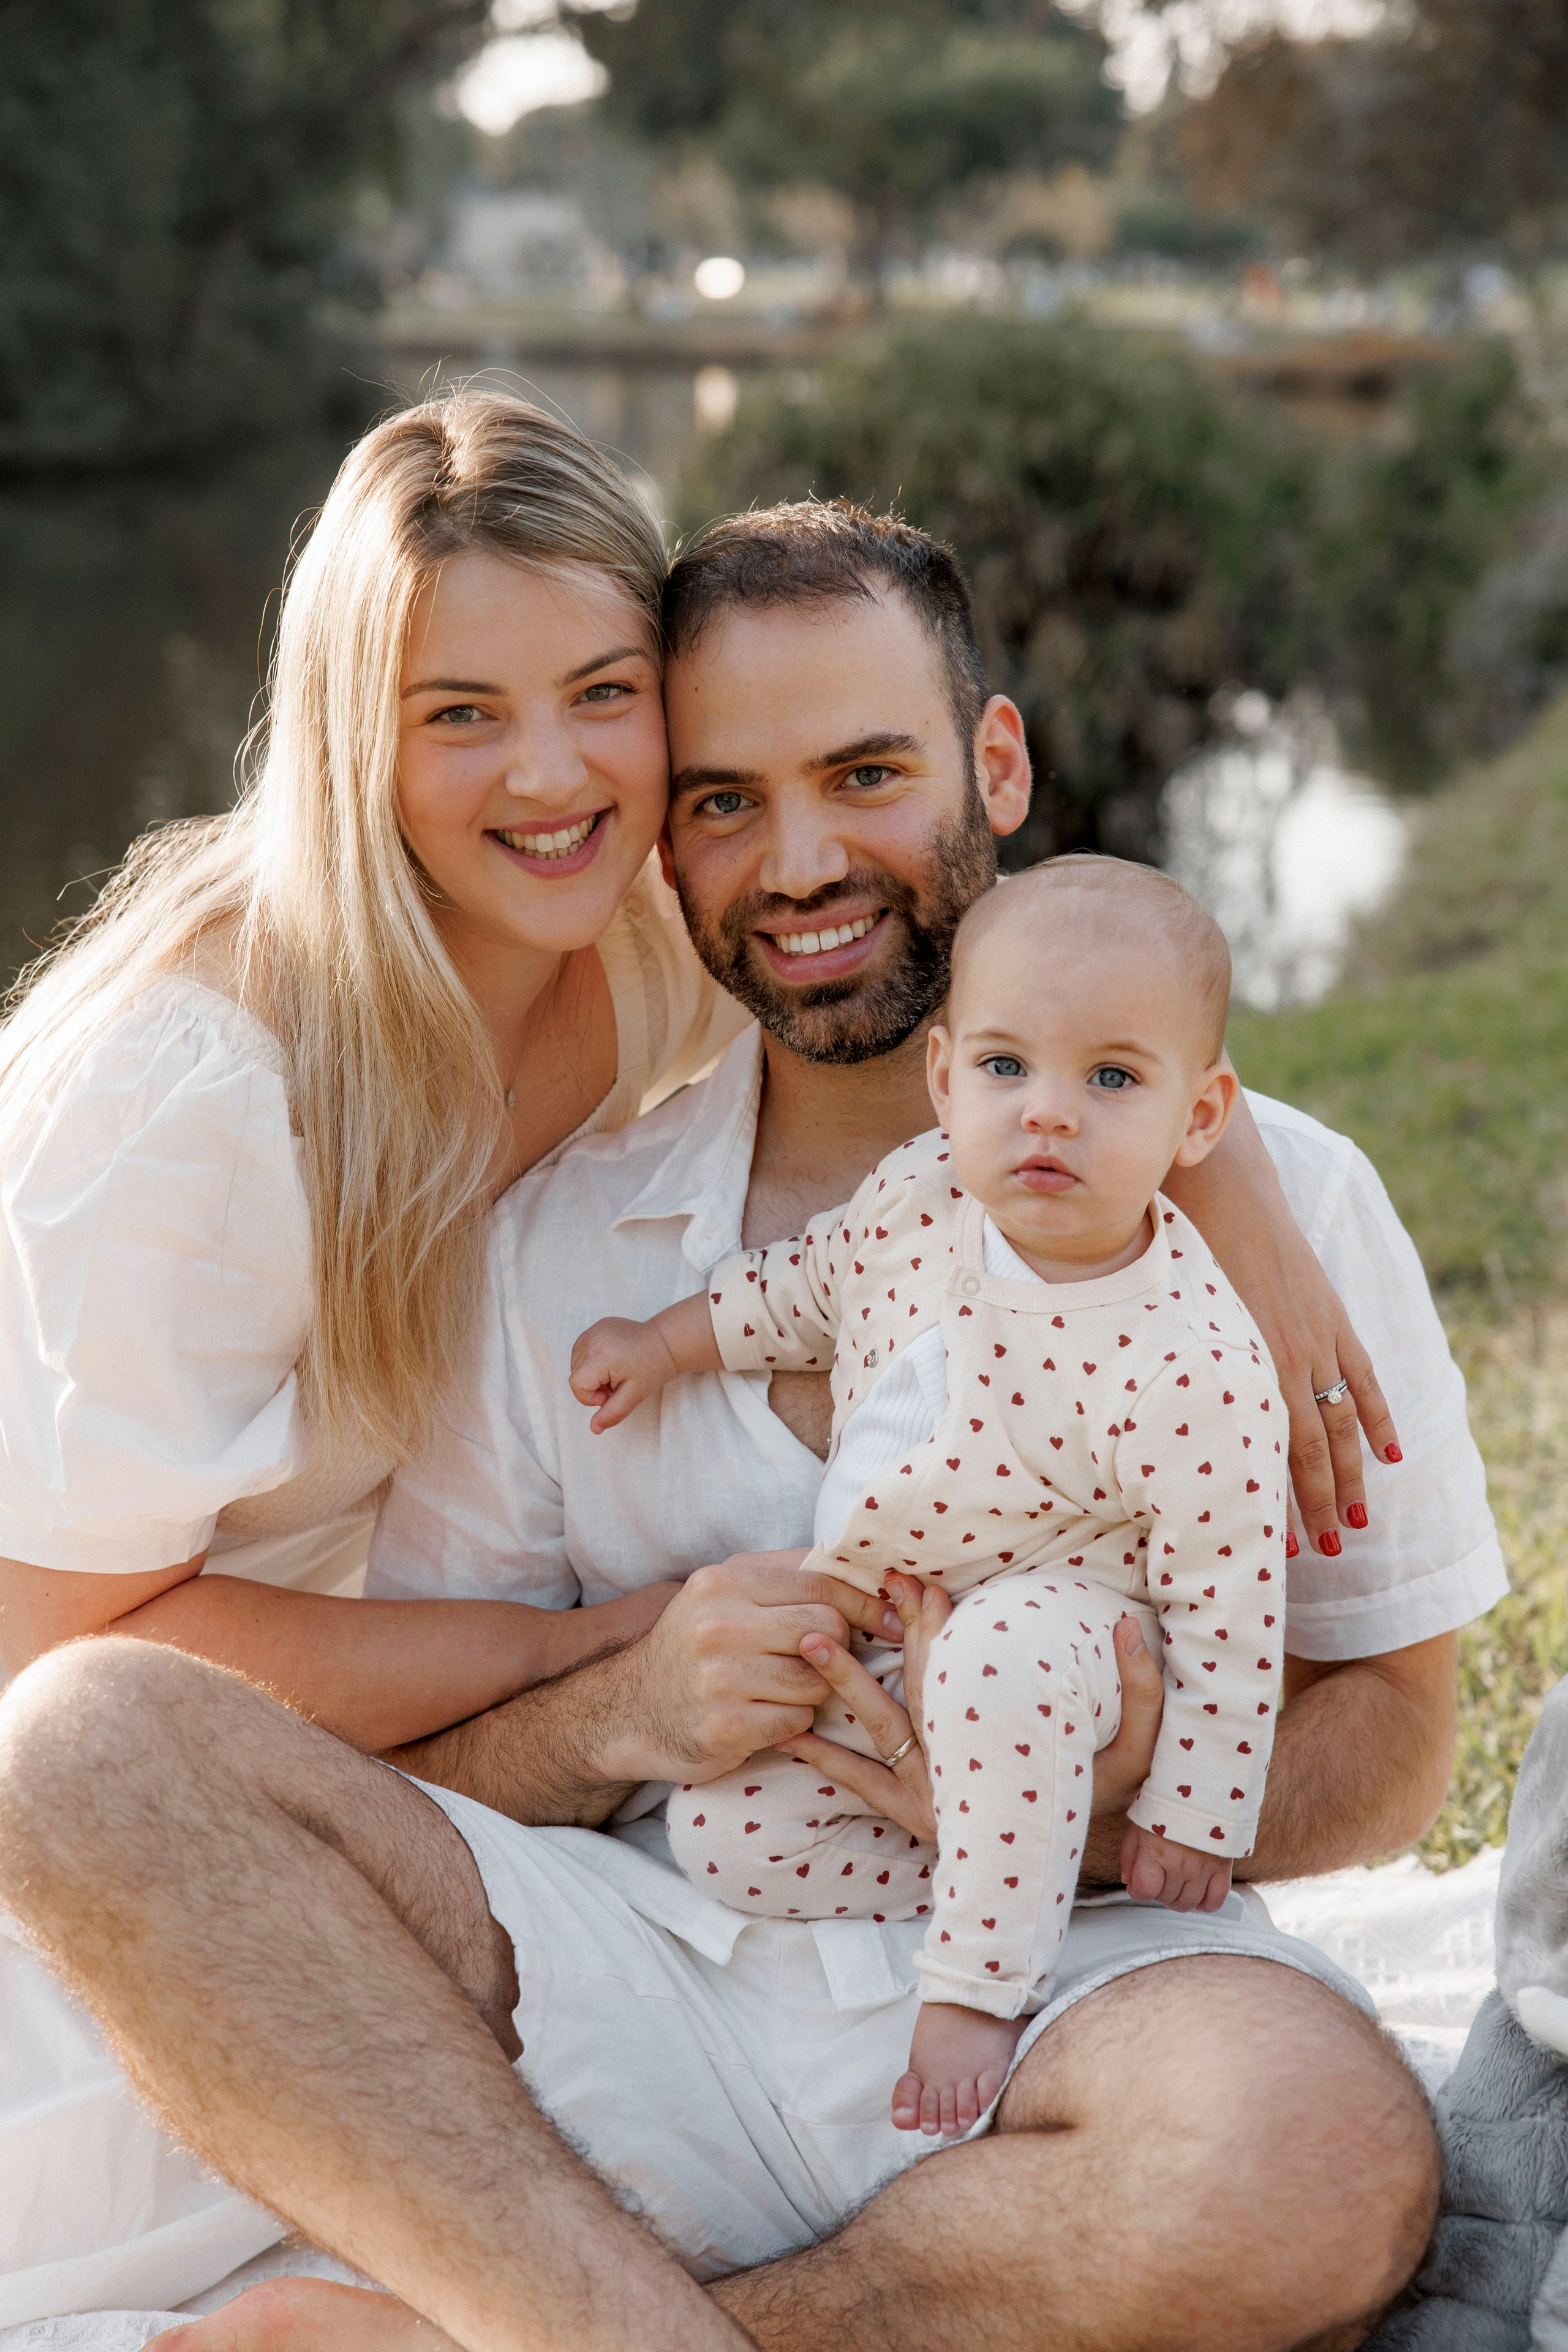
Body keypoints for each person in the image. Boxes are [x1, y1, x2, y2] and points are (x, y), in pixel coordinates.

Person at [0, 502, 1504, 2350]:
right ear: (658, 844)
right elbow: (438, 1783)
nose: (800, 865)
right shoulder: (558, 1237)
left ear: (996, 765)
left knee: (1315, 2158)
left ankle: (554, 2323)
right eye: (723, 801)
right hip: (633, 1974)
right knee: (81, 1745)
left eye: (866, 775)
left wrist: (1101, 1812)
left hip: (1074, 1987)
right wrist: (619, 1708)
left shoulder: (1287, 1217)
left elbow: (1398, 1740)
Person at [0, 385, 750, 2322]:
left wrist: (1240, 1180)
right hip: (94, 1797)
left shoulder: (641, 935)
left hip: (394, 1742)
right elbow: (64, 1656)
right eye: (460, 714)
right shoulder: (198, 1087)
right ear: (352, 734)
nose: (552, 775)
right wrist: (579, 1646)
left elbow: (997, 986)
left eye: (603, 692)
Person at [573, 857, 1289, 2135]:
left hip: (1068, 1633)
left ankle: (977, 1990)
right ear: (946, 1078)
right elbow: (800, 1288)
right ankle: (1021, 1878)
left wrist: (1196, 1808)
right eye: (1008, 1068)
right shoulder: (915, 1199)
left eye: (1111, 1079)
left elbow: (1231, 1602)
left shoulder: (1188, 1356)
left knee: (997, 1657)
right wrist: (663, 1345)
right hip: (899, 1636)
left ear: (1198, 1117)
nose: (1048, 1114)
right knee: (725, 1831)